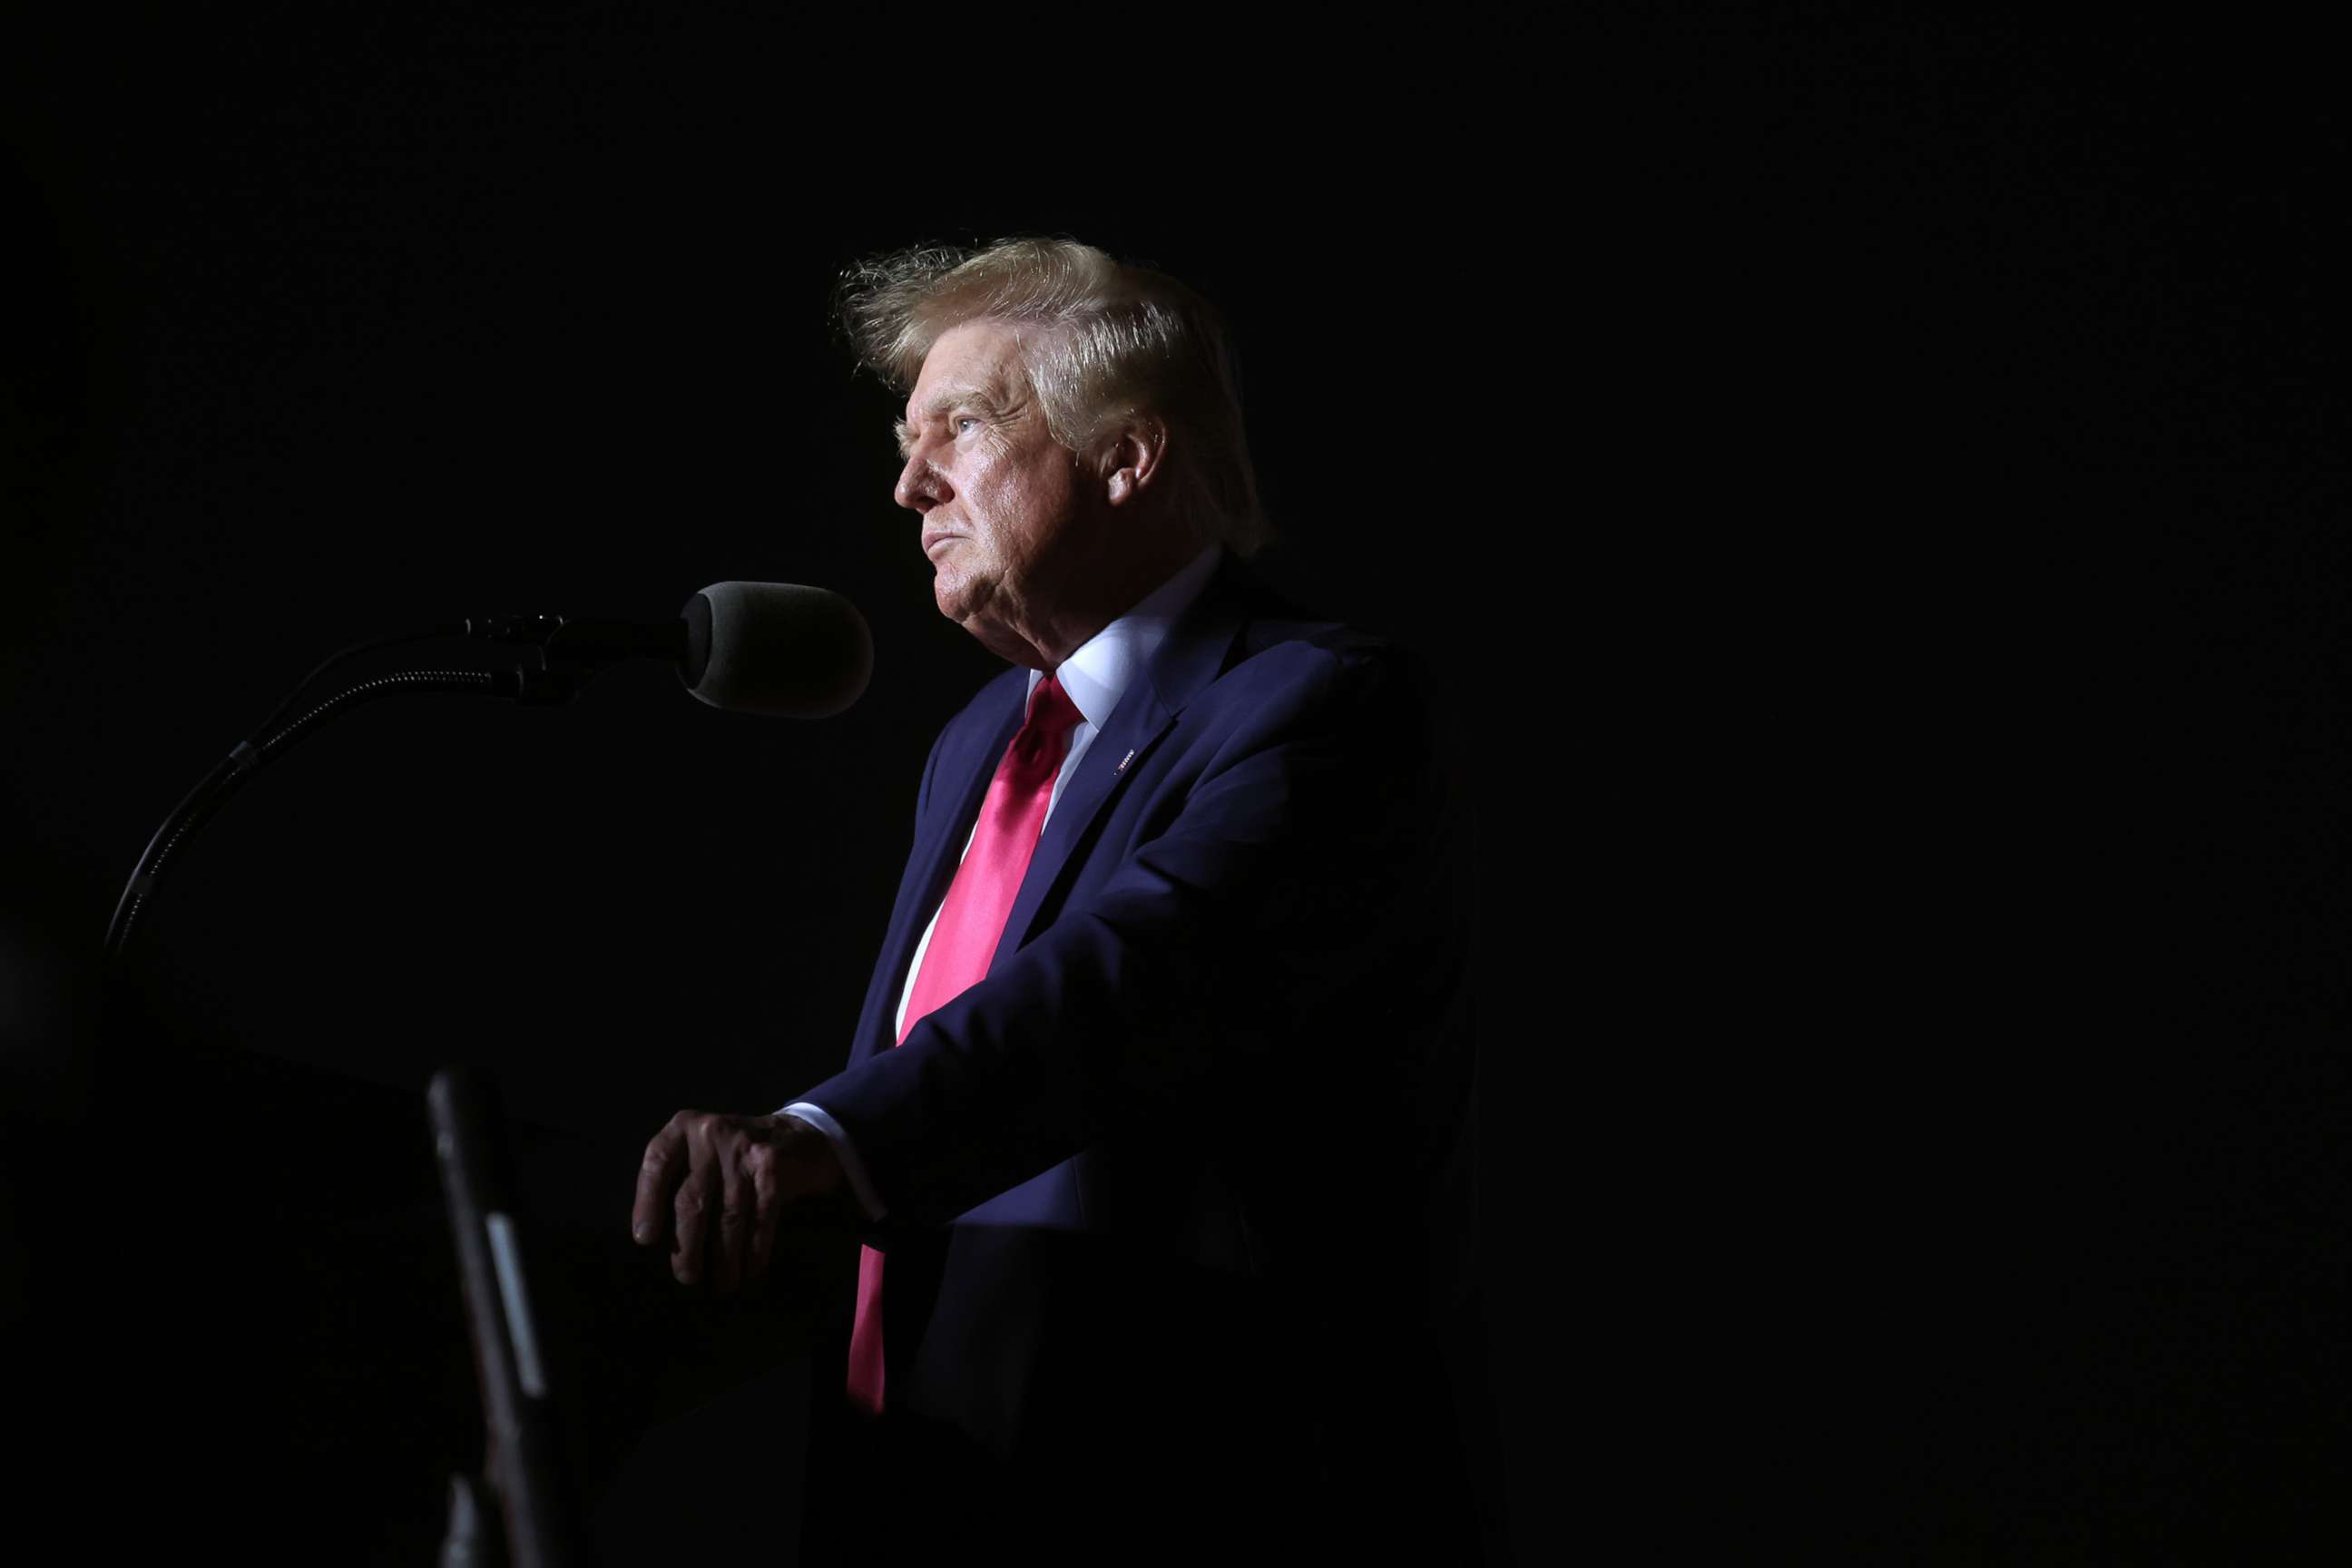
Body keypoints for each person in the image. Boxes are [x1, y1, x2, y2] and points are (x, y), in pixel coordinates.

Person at [630, 238, 1482, 1560]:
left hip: (1180, 1493)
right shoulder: (978, 742)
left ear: (1129, 455)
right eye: (907, 441)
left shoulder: (1321, 705)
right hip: (914, 1473)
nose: (909, 484)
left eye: (958, 429)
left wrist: (821, 1136)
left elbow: (1125, 981)